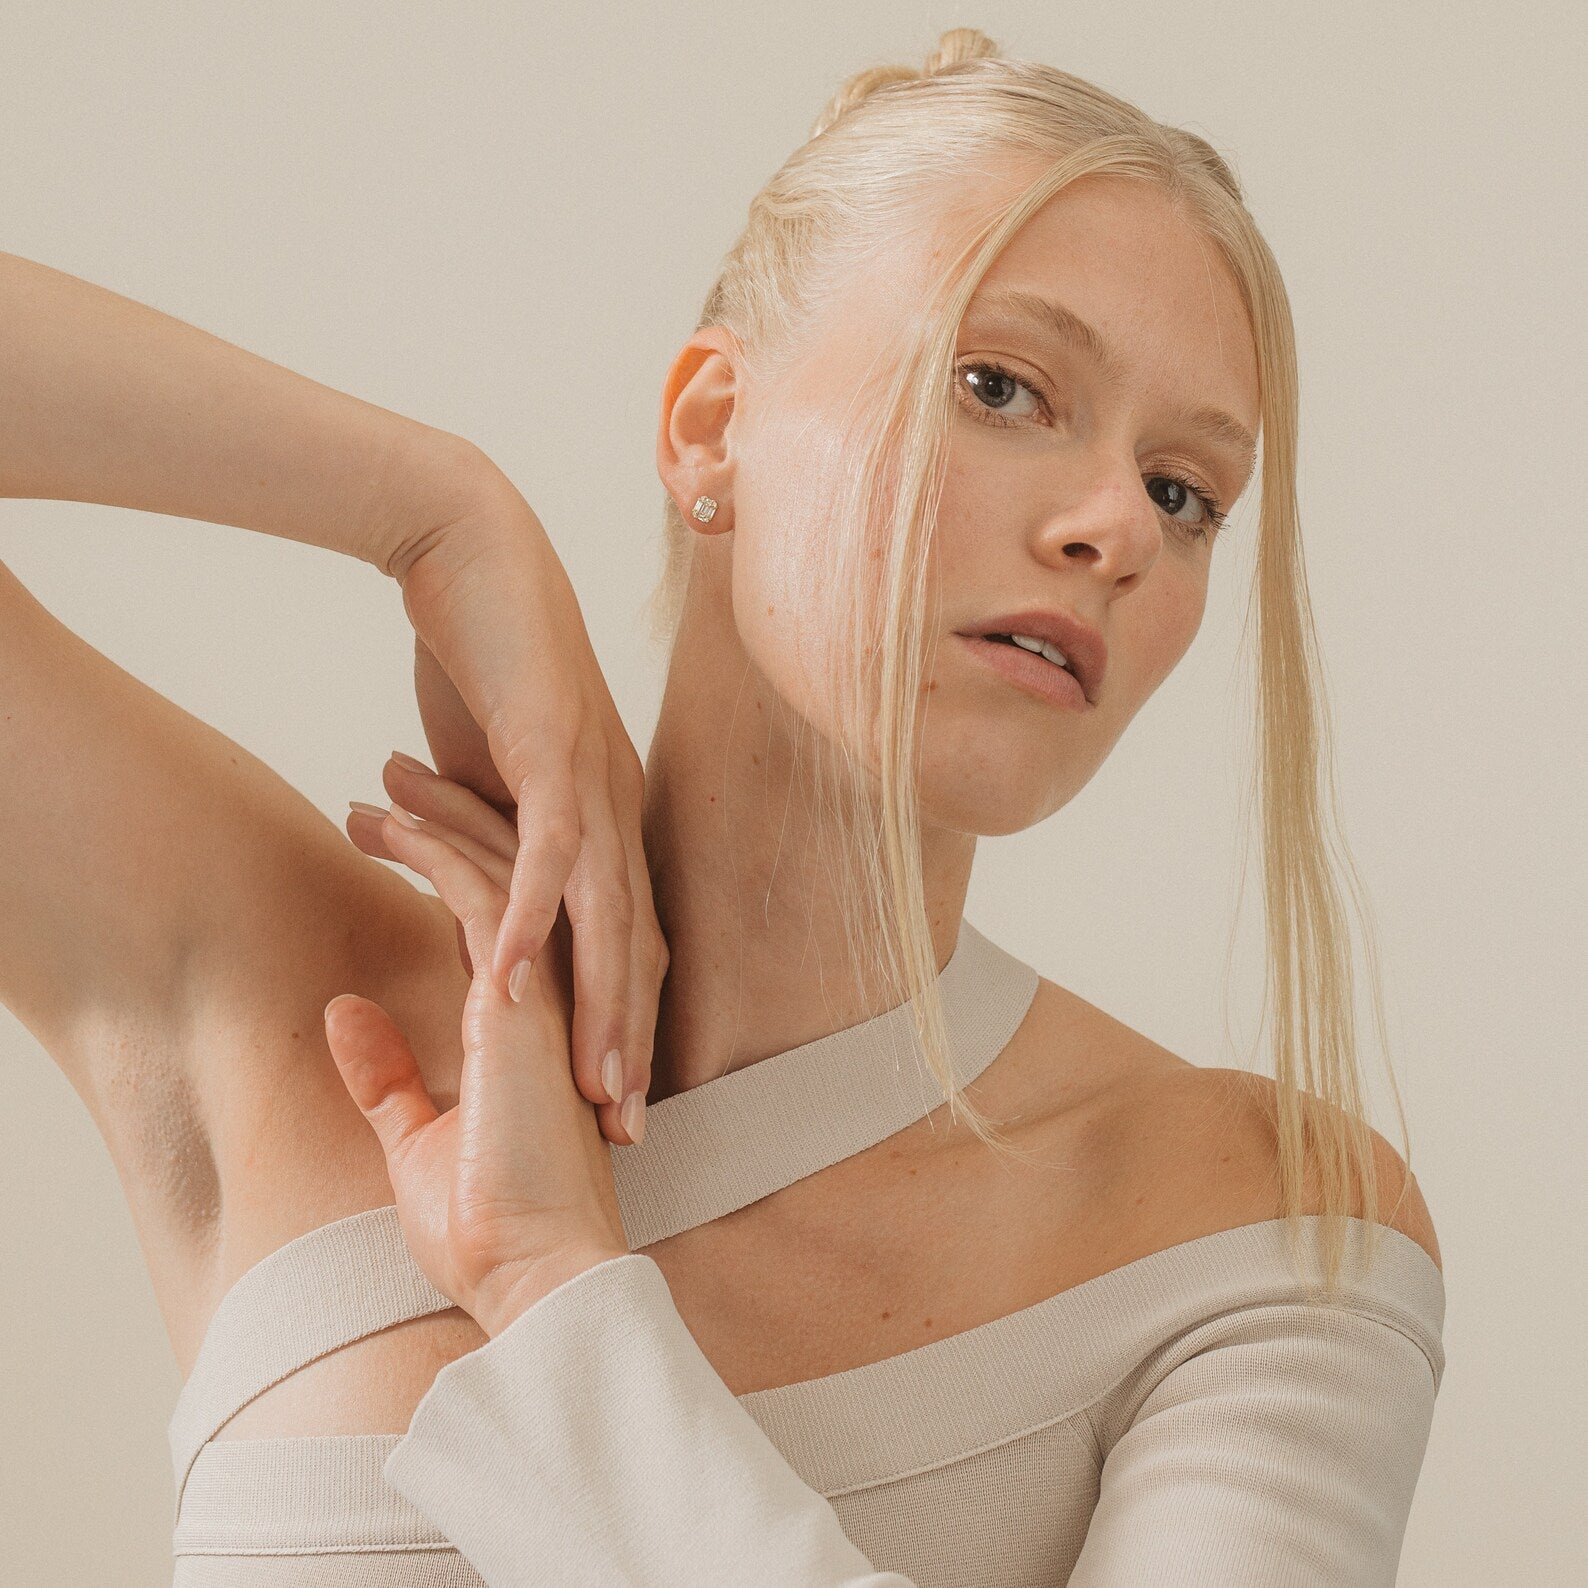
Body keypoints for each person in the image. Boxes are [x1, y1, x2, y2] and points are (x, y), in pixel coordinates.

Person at [0, 25, 1444, 1586]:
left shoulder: (1262, 1230)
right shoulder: (278, 1001)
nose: (1118, 529)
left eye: (1184, 490)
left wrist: (558, 1292)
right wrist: (428, 511)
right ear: (710, 425)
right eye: (1003, 384)